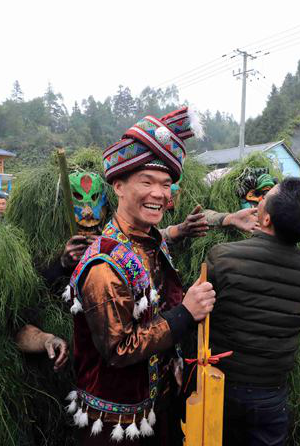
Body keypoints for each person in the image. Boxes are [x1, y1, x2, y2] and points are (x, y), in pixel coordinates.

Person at [64, 107, 215, 445]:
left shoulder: (145, 238)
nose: (159, 194)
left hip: (155, 404)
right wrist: (185, 313)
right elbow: (119, 349)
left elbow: (162, 237)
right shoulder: (105, 265)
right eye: (146, 182)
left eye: (165, 185)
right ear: (118, 185)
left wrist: (214, 223)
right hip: (117, 424)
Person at [206, 177, 300, 446]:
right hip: (272, 391)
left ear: (267, 219)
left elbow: (201, 312)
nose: (260, 201)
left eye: (265, 198)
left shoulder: (222, 257)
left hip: (222, 384)